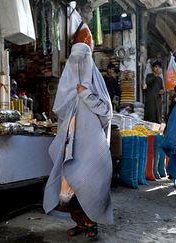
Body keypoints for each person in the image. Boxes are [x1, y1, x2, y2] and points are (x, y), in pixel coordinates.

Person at [43, 43, 113, 240]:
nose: (78, 64)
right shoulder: (66, 87)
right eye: (74, 60)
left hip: (92, 145)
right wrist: (74, 95)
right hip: (70, 142)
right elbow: (60, 111)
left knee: (90, 183)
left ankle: (93, 223)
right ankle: (80, 223)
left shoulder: (96, 84)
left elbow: (107, 112)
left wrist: (86, 95)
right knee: (71, 185)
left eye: (82, 59)